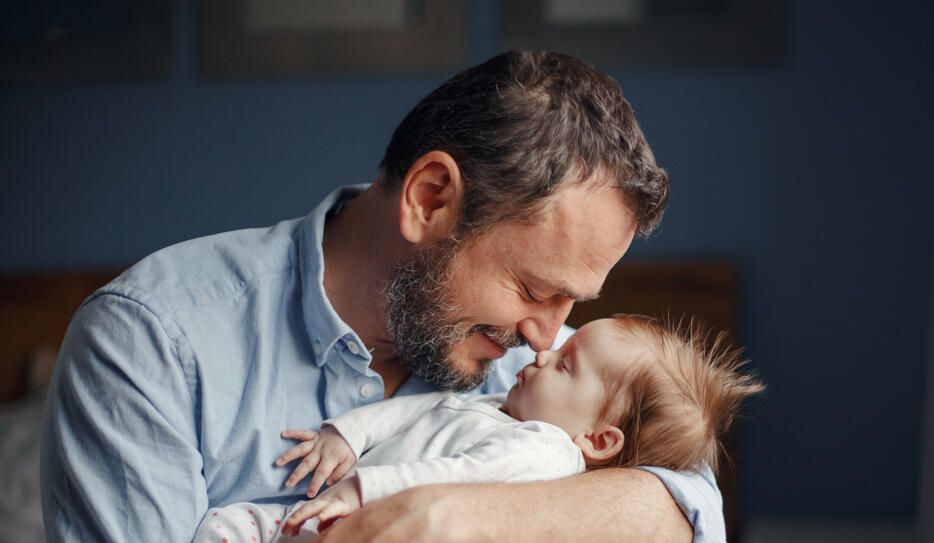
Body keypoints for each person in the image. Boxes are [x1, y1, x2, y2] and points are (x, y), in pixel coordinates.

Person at [40, 50, 723, 542]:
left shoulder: (541, 380)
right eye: (534, 289)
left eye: (571, 303)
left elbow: (689, 511)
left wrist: (466, 517)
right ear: (430, 199)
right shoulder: (150, 343)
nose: (548, 337)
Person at [192, 316, 763, 542]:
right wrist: (347, 435)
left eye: (564, 364)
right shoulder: (500, 402)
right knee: (228, 526)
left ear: (598, 439)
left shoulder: (543, 455)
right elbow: (409, 412)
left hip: (370, 517)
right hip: (344, 508)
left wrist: (360, 489)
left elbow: (450, 481)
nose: (541, 349)